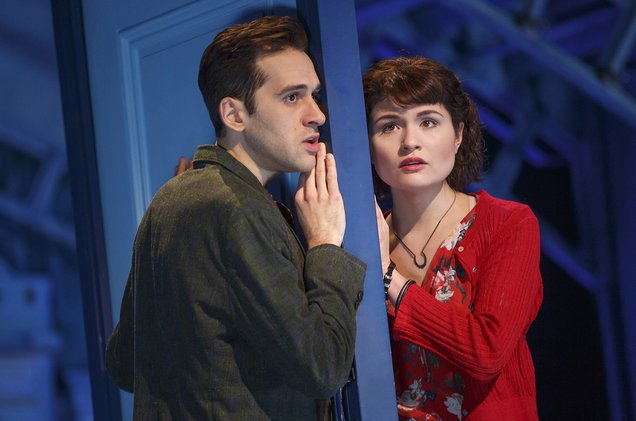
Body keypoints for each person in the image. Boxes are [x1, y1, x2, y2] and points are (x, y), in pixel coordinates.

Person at [105, 15, 367, 420]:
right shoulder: (238, 209)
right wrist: (325, 243)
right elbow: (323, 368)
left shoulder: (169, 200)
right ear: (234, 115)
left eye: (313, 95)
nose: (317, 114)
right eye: (292, 97)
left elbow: (124, 364)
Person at [365, 57, 543, 420]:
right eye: (389, 126)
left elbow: (487, 353)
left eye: (428, 122)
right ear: (367, 146)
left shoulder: (507, 223)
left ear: (458, 134)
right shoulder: (364, 240)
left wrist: (390, 280)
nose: (410, 141)